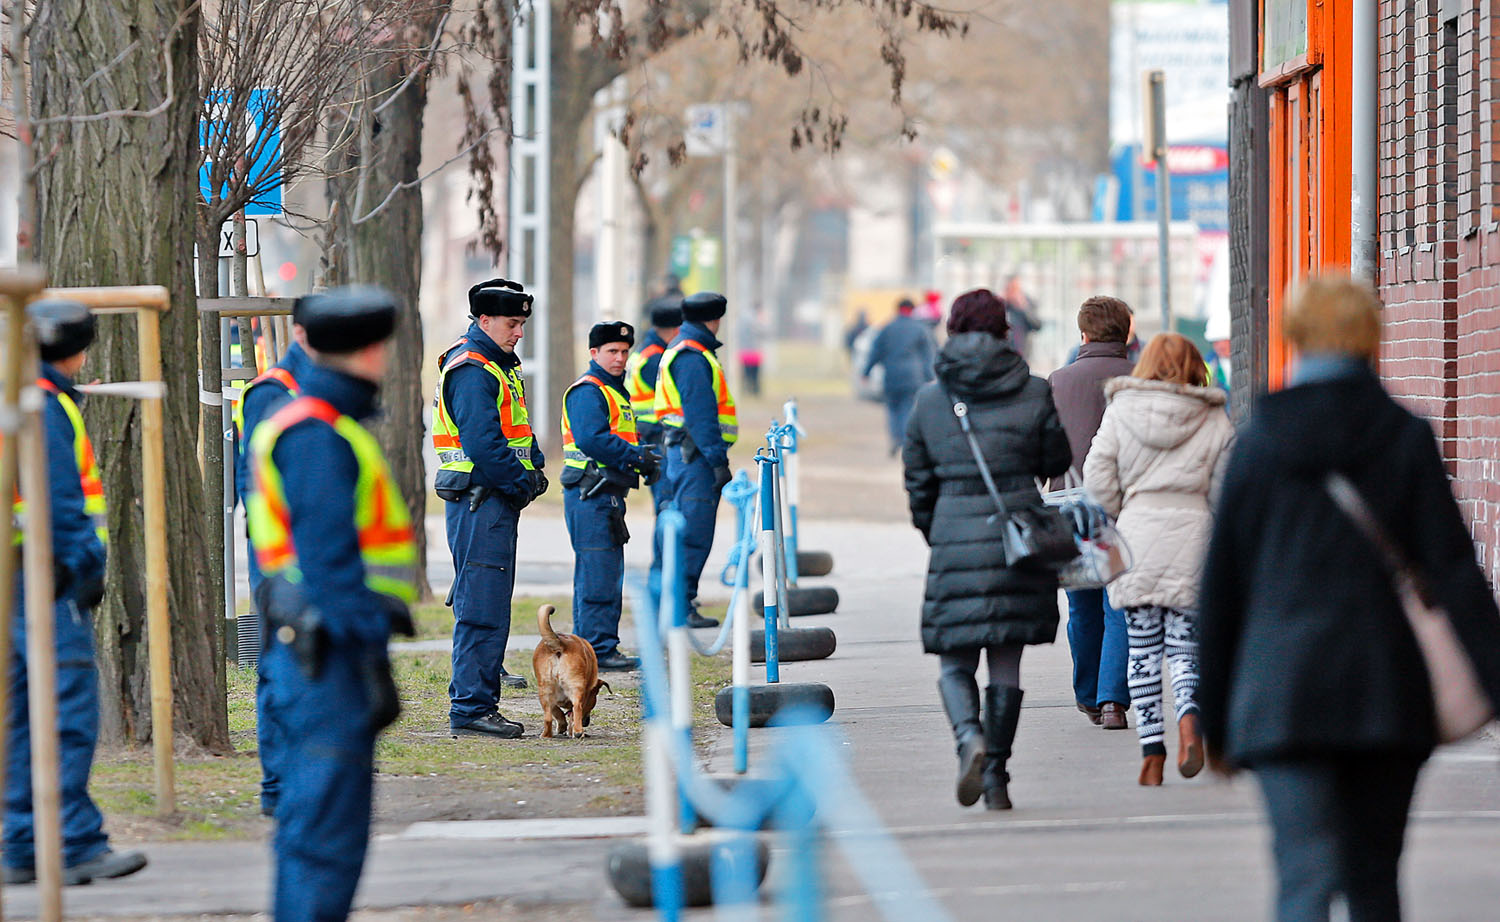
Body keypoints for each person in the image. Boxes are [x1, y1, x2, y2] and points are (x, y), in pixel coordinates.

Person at [1198, 276, 1500, 922]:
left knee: (1302, 877)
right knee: (1374, 880)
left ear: (1295, 335)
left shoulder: (1258, 442)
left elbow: (1222, 587)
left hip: (1281, 691)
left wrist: (1215, 716)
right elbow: (1453, 571)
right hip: (1383, 693)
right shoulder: (1404, 437)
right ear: (1372, 335)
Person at [246, 286, 417, 922]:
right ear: (373, 352)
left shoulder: (316, 424)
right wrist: (370, 659)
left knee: (316, 830)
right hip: (329, 656)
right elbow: (330, 565)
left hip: (316, 652)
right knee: (326, 838)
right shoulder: (318, 433)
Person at [902, 288, 1071, 810]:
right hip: (1017, 536)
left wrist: (938, 530)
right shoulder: (1034, 390)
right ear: (1006, 331)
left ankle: (967, 739)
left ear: (951, 330)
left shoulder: (930, 399)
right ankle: (996, 776)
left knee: (954, 661)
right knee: (1005, 662)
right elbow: (1055, 457)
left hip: (954, 533)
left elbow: (917, 479)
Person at [4, 300, 148, 886]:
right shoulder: (46, 403)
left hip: (18, 573)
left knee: (20, 713)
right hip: (46, 574)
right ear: (78, 349)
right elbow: (61, 500)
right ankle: (74, 842)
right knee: (66, 711)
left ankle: (18, 841)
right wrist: (86, 566)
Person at [1082, 333, 1234, 786]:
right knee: (1186, 649)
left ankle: (1152, 750)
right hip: (1194, 539)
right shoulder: (1214, 417)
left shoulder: (1120, 411)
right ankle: (1189, 717)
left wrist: (1118, 514)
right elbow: (1229, 487)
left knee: (1143, 649)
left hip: (1137, 537)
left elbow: (1097, 480)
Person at [432, 279, 548, 739]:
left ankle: (477, 701)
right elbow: (484, 444)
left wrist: (534, 468)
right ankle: (471, 708)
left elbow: (514, 428)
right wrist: (523, 483)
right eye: (512, 323)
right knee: (481, 607)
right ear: (484, 320)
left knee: (488, 603)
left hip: (491, 500)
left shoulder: (495, 364)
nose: (519, 331)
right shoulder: (474, 368)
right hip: (482, 502)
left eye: (522, 323)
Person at [1046, 296, 1137, 731]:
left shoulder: (1058, 382)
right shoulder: (1140, 379)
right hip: (1126, 507)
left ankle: (1087, 694)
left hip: (1071, 507)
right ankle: (1112, 701)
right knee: (1118, 603)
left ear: (1082, 334)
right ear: (1127, 333)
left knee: (1081, 605)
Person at [233, 325, 313, 818]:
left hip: (313, 558)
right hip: (283, 561)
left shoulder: (315, 390)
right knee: (283, 670)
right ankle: (280, 783)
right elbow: (259, 482)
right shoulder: (273, 392)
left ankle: (305, 773)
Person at [561, 322, 661, 672]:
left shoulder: (613, 391)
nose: (620, 358)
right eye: (612, 352)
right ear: (594, 353)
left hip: (606, 494)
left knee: (605, 573)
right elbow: (592, 439)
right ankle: (597, 650)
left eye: (624, 351)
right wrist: (636, 457)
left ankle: (597, 647)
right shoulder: (589, 391)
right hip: (591, 494)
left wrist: (642, 459)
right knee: (597, 576)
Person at [652, 291, 736, 629]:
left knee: (688, 529)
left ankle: (680, 602)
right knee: (694, 531)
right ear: (713, 320)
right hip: (694, 456)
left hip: (686, 453)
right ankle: (681, 605)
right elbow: (701, 416)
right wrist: (718, 461)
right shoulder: (691, 356)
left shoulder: (686, 350)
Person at [627, 298, 682, 514]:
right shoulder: (655, 358)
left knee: (662, 499)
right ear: (675, 329)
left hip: (646, 432)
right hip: (657, 433)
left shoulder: (645, 350)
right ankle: (665, 547)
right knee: (666, 500)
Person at [862, 297, 936, 456]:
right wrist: (930, 378)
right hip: (913, 377)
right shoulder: (920, 329)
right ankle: (904, 440)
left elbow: (875, 352)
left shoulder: (887, 328)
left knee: (893, 409)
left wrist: (866, 372)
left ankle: (895, 437)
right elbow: (927, 356)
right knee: (908, 409)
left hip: (892, 377)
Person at [1003, 275, 1042, 359]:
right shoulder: (1001, 305)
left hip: (1023, 353)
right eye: (1011, 289)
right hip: (1004, 354)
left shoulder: (1027, 303)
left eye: (1016, 289)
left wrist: (1024, 308)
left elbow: (1037, 326)